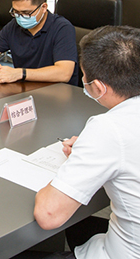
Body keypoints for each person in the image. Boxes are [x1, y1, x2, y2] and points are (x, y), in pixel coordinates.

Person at [33, 25, 140, 259]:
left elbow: (48, 215)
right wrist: (91, 152)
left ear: (99, 88)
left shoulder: (109, 127)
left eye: (85, 78)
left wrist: (86, 154)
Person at [0, 0, 77, 85]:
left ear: (43, 7)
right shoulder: (14, 26)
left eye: (26, 13)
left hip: (57, 90)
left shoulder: (62, 28)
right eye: (16, 12)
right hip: (26, 87)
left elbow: (64, 73)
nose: (20, 17)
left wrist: (20, 73)